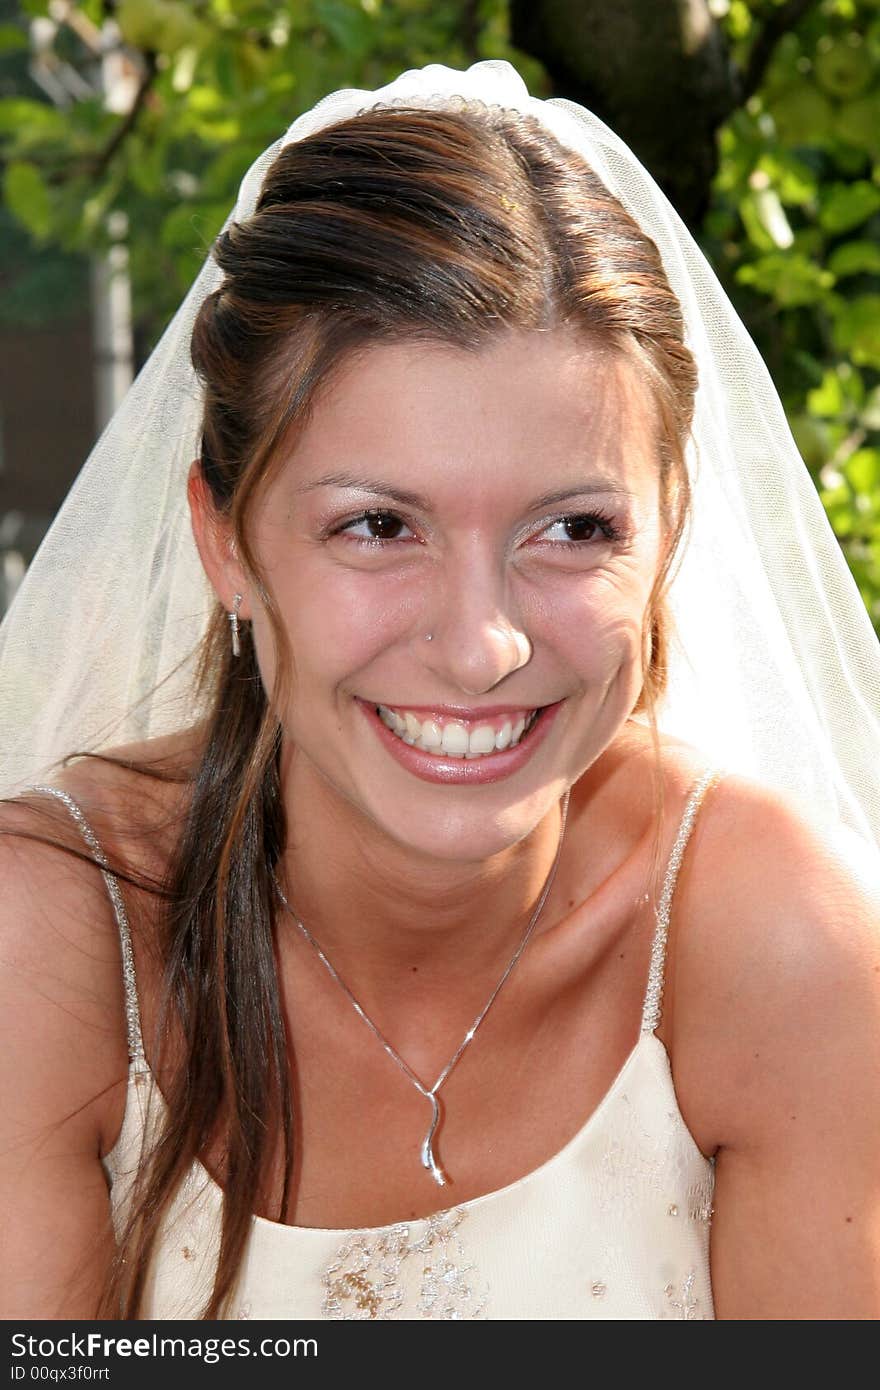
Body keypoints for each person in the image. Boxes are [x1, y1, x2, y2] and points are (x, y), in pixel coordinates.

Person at [0, 59, 878, 1322]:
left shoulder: (781, 945)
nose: (480, 647)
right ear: (228, 543)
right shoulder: (56, 944)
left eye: (571, 529)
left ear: (669, 529)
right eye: (377, 526)